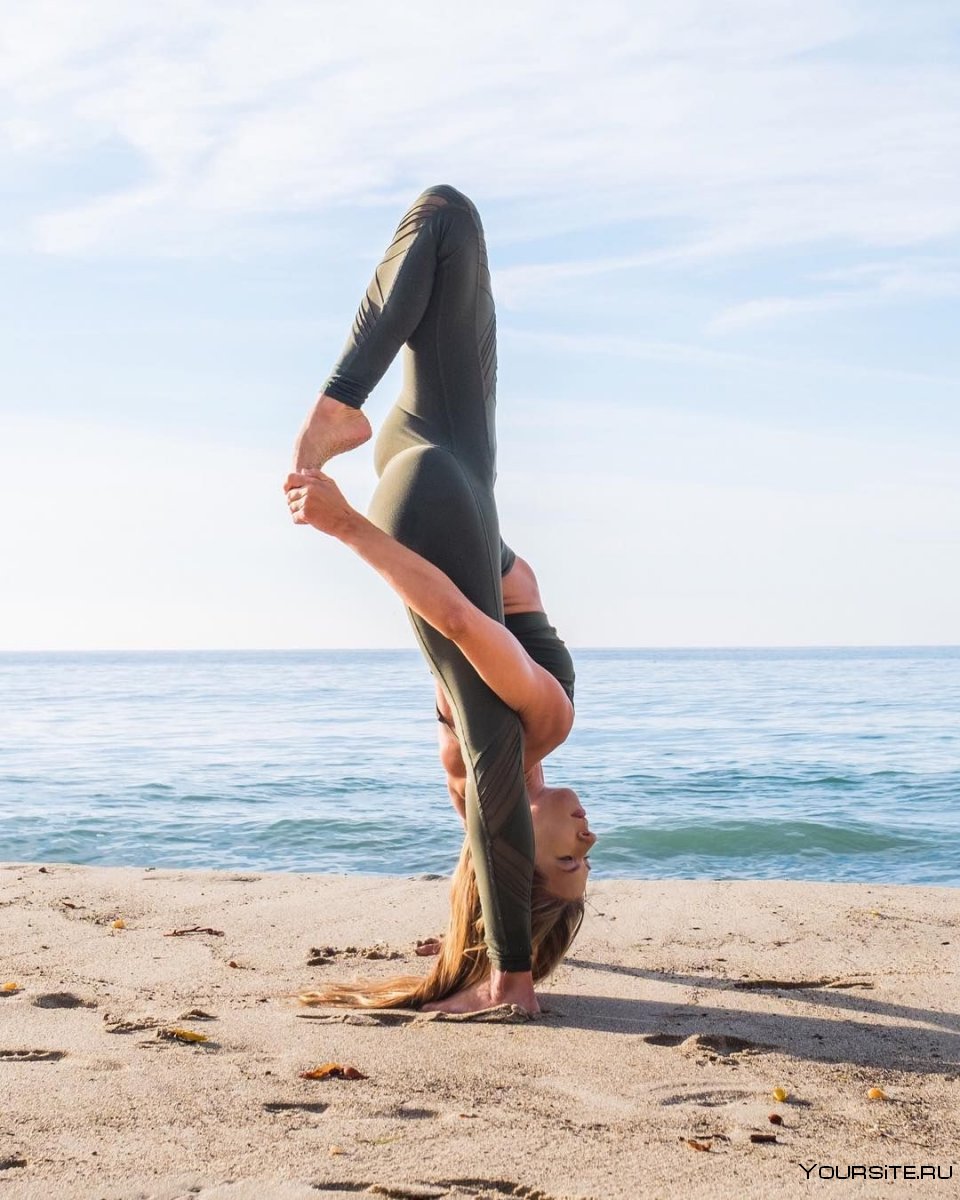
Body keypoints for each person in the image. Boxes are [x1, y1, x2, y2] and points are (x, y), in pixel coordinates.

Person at [284, 186, 596, 1013]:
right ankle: (340, 405)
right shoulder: (477, 773)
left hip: (429, 496)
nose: (589, 837)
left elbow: (459, 617)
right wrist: (488, 545)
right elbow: (510, 588)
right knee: (448, 219)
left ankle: (332, 409)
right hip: (457, 466)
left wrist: (349, 527)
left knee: (451, 221)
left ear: (524, 862)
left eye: (569, 859)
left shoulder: (538, 727)